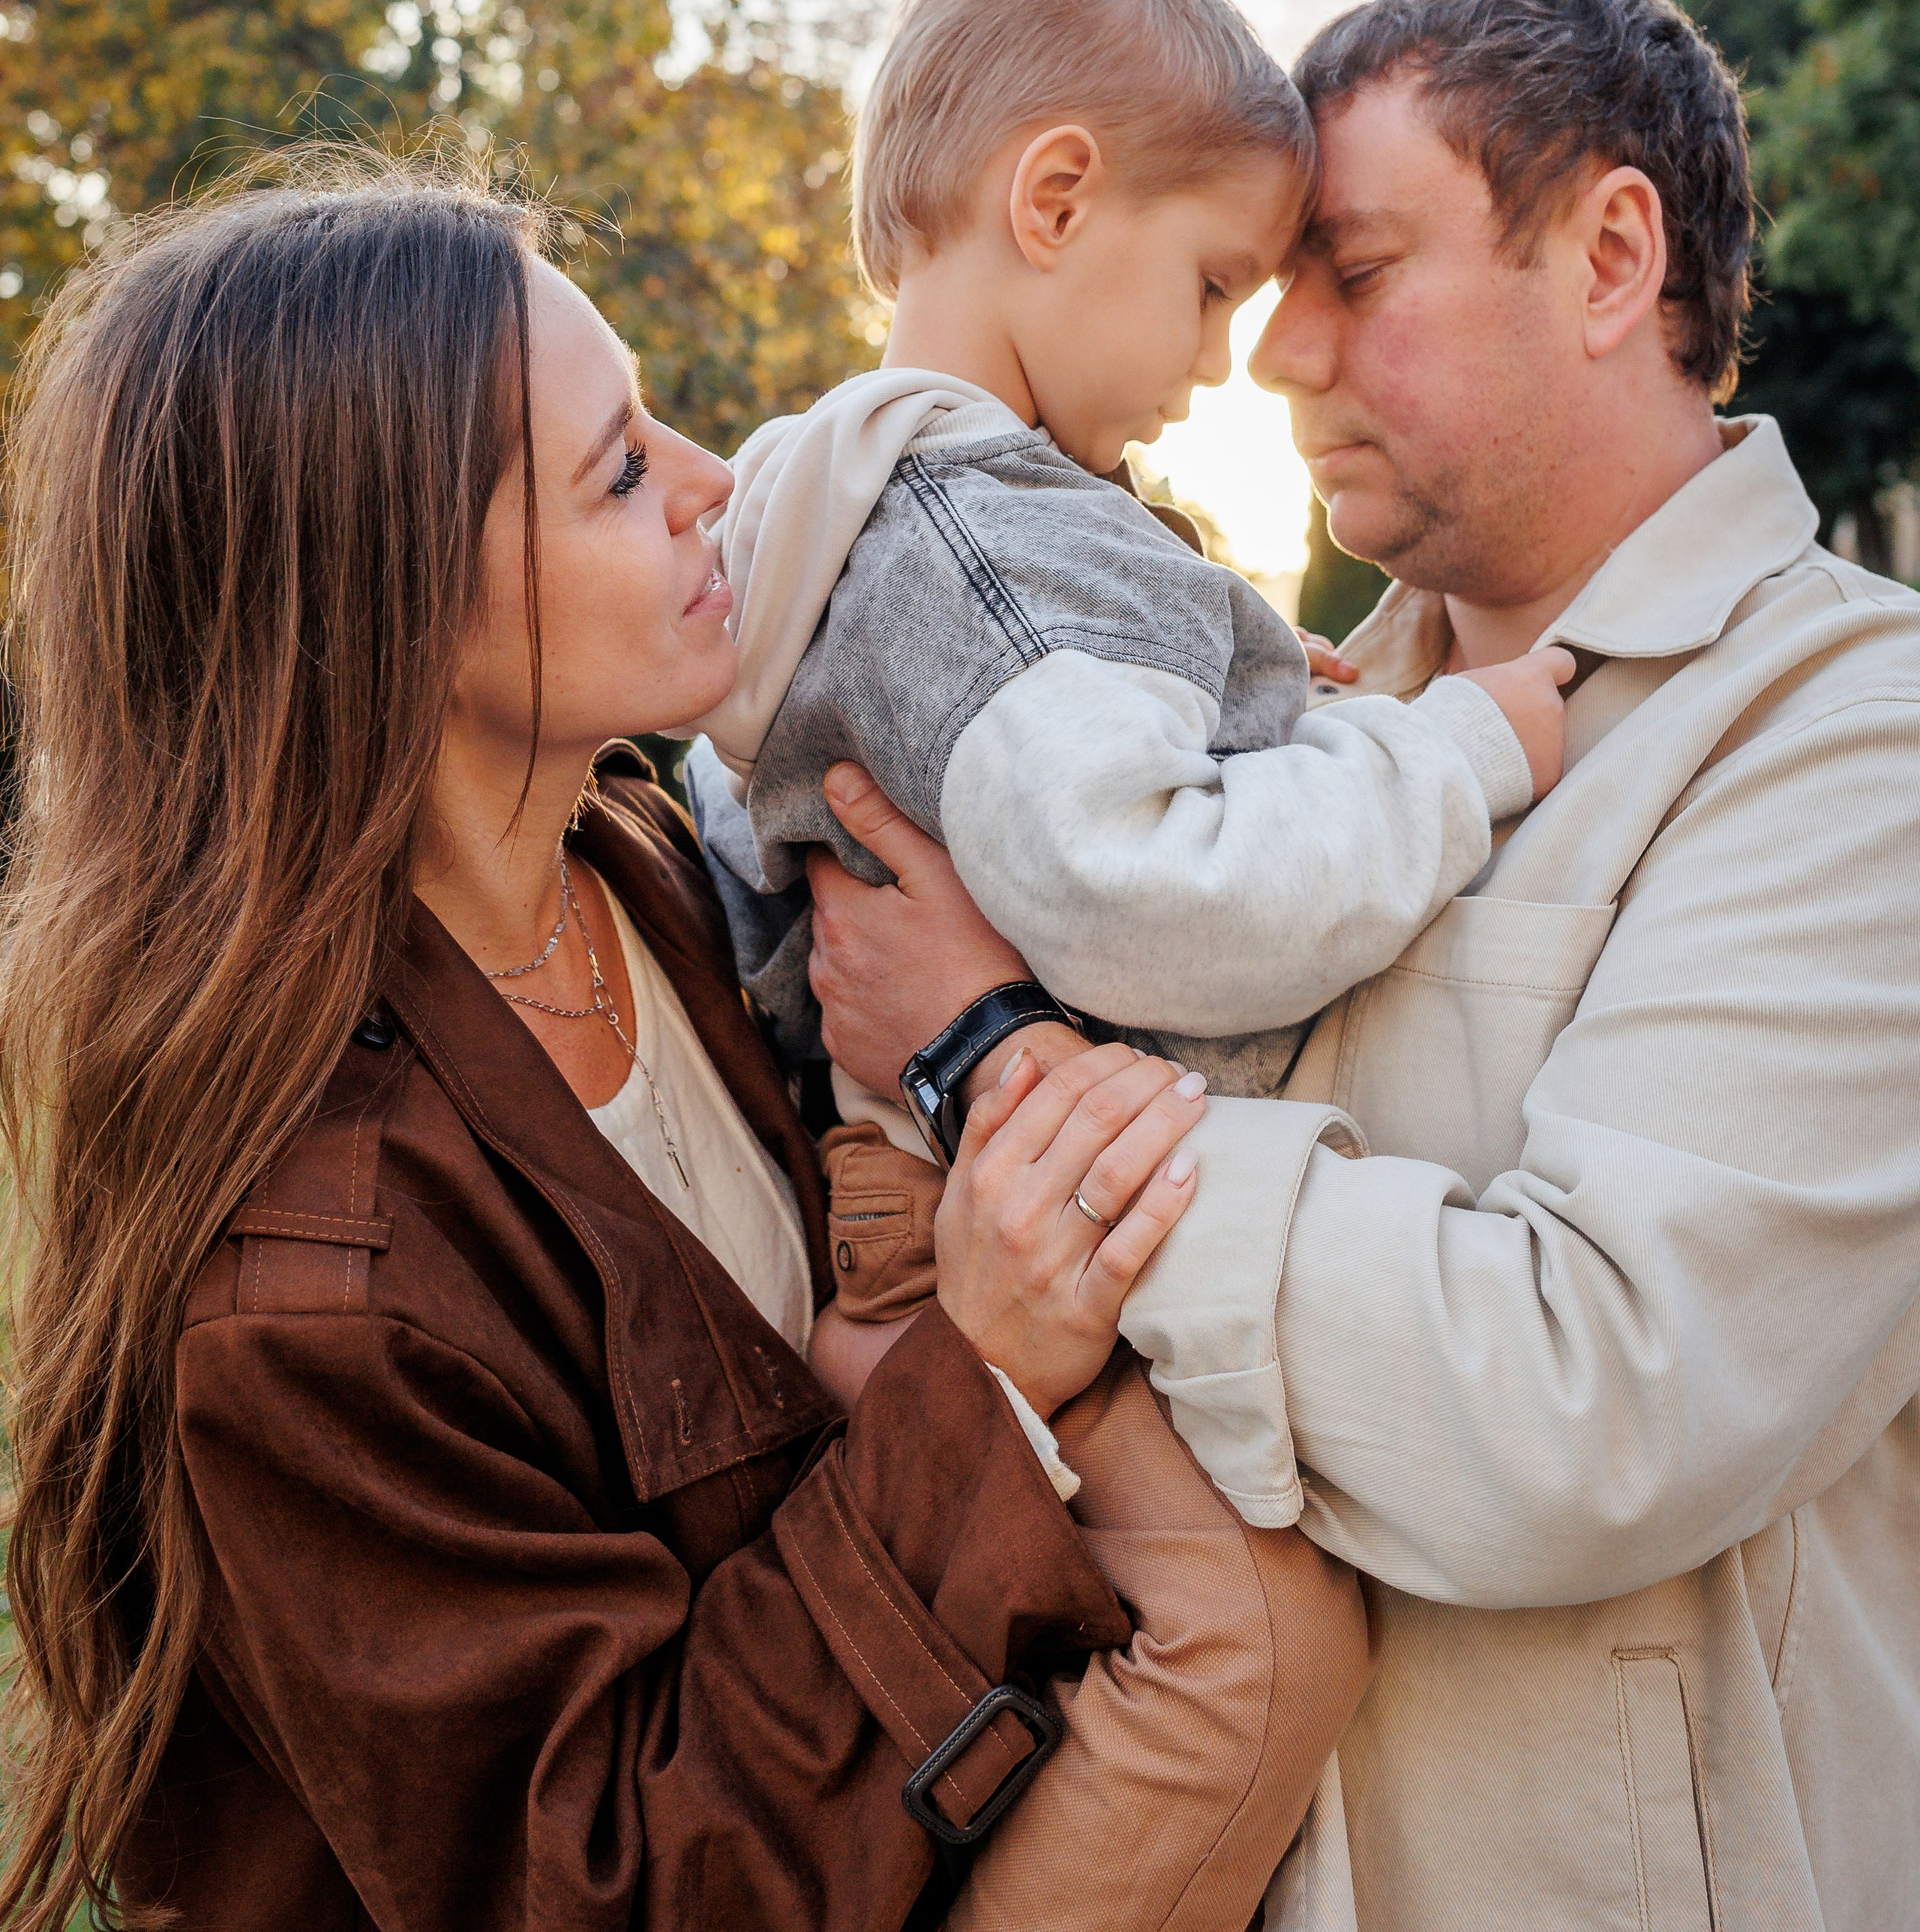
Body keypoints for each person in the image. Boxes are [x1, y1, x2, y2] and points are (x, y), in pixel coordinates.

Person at [0, 154, 1366, 1932]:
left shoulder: (651, 867)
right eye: (621, 472)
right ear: (398, 607)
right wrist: (977, 1376)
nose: (716, 480)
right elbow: (614, 1887)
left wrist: (1232, 716)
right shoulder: (313, 1299)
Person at [806, 0, 1920, 1932]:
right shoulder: (1292, 734)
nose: (1273, 353)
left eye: (1358, 270)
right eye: (1258, 280)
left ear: (1609, 258)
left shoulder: (1854, 737)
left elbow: (1587, 1407)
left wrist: (1002, 1071)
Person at [683, 0, 1570, 1132]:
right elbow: (1169, 903)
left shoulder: (859, 530)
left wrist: (1217, 688)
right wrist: (1459, 751)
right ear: (1055, 202)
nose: (1218, 364)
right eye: (1212, 288)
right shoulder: (995, 563)